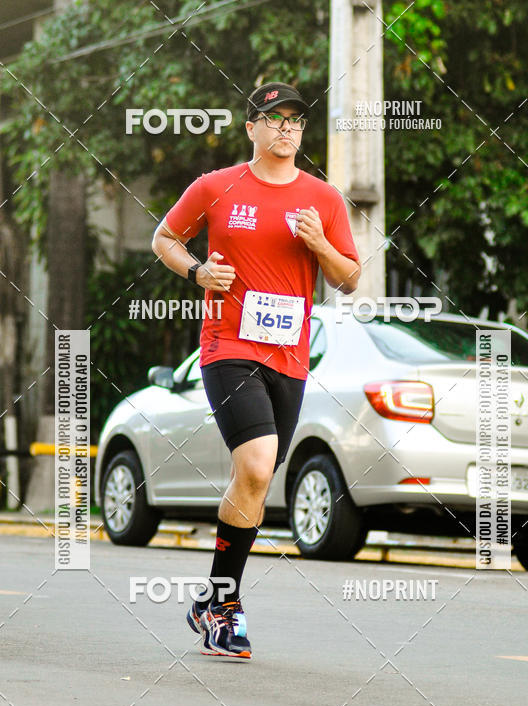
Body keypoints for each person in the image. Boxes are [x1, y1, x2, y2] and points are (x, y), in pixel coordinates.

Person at [152, 81, 360, 659]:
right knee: (257, 461)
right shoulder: (216, 188)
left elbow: (349, 279)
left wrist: (320, 244)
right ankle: (226, 609)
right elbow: (164, 237)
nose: (286, 129)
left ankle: (212, 597)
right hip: (227, 348)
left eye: (295, 121)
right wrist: (197, 273)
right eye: (275, 119)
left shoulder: (323, 200)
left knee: (256, 479)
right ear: (252, 129)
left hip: (289, 359)